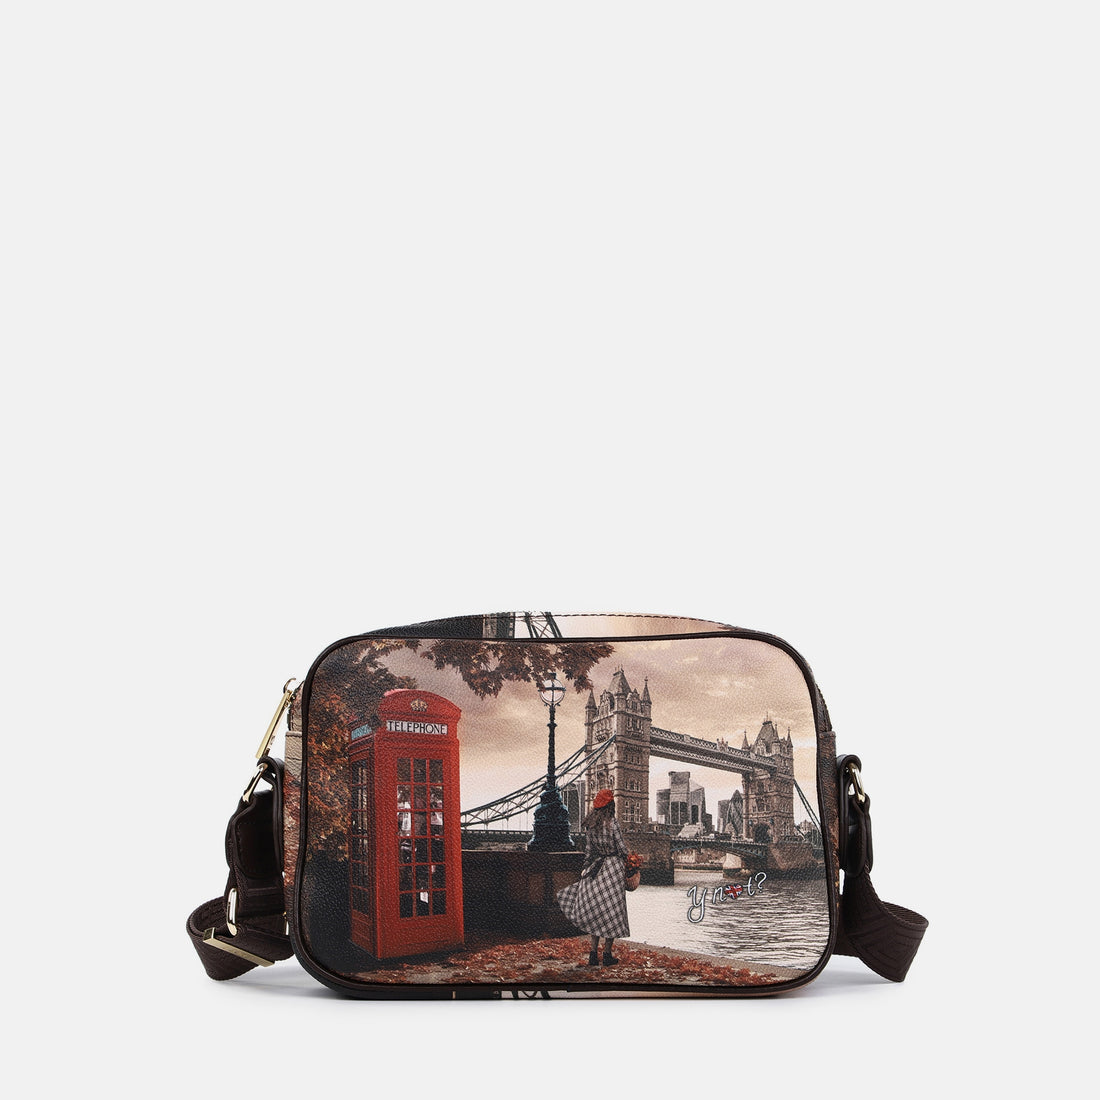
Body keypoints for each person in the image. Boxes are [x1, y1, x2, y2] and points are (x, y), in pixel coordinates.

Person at [556, 788, 630, 966]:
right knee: (612, 912)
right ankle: (607, 954)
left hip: (597, 867)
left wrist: (585, 869)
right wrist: (631, 861)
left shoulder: (591, 825)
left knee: (596, 912)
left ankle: (592, 954)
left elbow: (589, 851)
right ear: (611, 805)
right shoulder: (612, 823)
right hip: (613, 869)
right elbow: (622, 849)